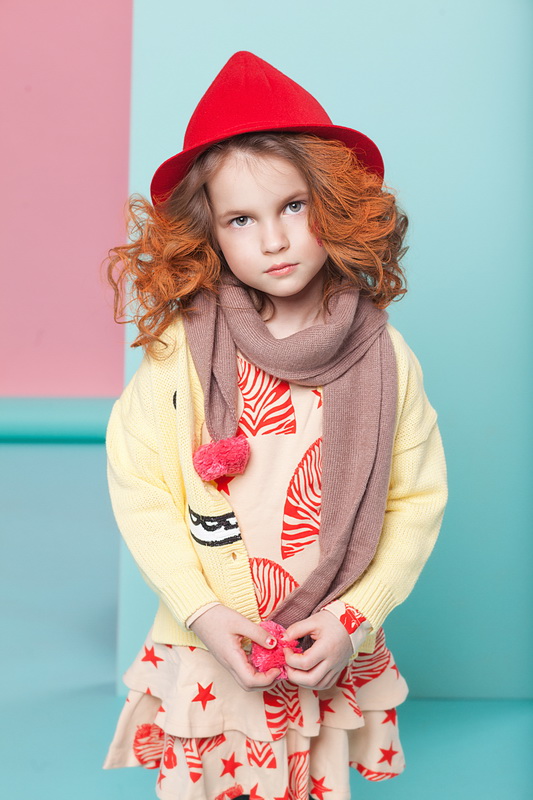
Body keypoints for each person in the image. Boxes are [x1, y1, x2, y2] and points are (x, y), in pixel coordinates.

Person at [103, 51, 447, 800]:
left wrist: (355, 617)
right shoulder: (179, 355)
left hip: (324, 637)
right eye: (241, 219)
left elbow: (415, 501)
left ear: (334, 202)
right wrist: (203, 611)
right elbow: (139, 486)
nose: (274, 240)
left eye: (293, 206)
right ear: (210, 233)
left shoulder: (385, 359)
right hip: (211, 638)